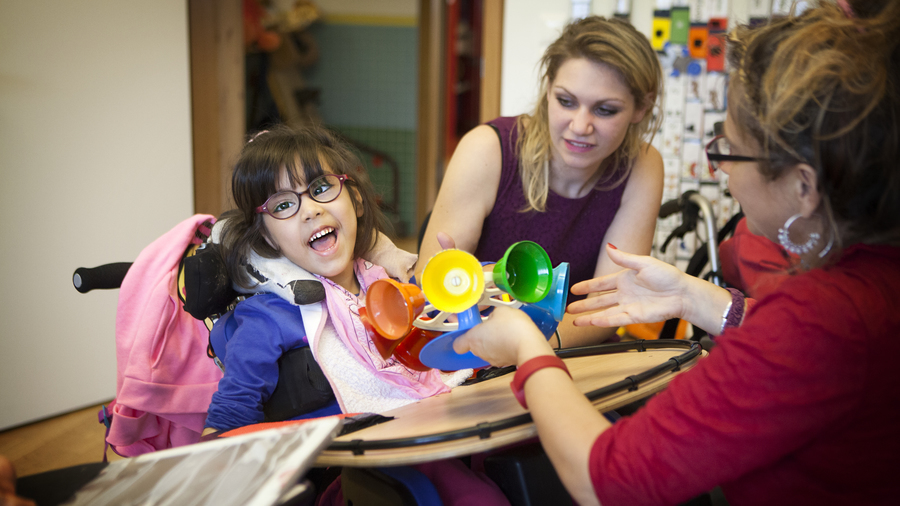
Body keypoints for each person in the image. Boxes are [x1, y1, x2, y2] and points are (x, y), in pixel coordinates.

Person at [451, 2, 900, 504]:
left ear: (803, 185)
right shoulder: (873, 283)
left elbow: (607, 478)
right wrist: (696, 298)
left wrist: (526, 346)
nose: (720, 172)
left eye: (728, 150)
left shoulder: (819, 317)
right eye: (567, 101)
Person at [203, 126, 469, 434]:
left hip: (436, 434)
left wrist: (455, 302)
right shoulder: (268, 319)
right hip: (350, 471)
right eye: (284, 205)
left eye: (320, 188)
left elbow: (445, 360)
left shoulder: (392, 285)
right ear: (268, 238)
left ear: (355, 200)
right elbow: (224, 426)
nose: (311, 211)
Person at [418, 15, 663, 347]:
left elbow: (609, 304)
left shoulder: (642, 166)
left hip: (564, 346)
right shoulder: (488, 148)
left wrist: (531, 349)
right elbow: (429, 289)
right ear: (548, 89)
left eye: (605, 110)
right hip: (472, 343)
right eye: (566, 101)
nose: (580, 125)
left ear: (641, 108)